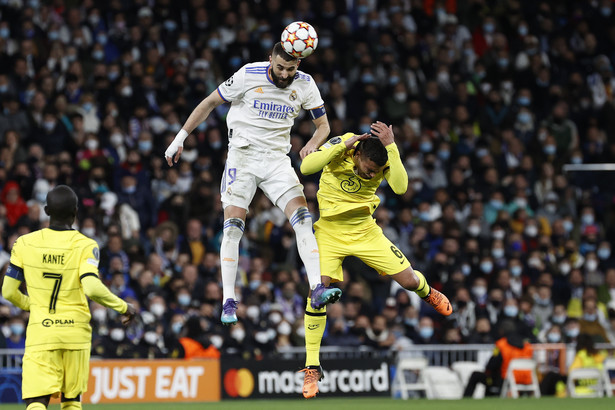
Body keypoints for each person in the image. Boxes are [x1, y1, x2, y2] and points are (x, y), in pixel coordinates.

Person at [164, 42, 340, 325]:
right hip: (242, 158)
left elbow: (324, 127)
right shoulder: (248, 74)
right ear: (270, 59)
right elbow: (210, 102)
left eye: (290, 69)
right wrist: (179, 138)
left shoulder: (306, 85)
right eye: (280, 67)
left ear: (299, 66)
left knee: (304, 218)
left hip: (276, 160)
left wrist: (311, 144)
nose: (284, 74)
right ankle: (228, 300)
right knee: (233, 229)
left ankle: (317, 288)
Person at [298, 122, 453, 399]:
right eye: (369, 169)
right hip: (329, 233)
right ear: (357, 154)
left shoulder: (382, 161)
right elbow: (307, 167)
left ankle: (428, 292)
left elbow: (401, 188)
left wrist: (392, 147)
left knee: (409, 280)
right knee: (316, 294)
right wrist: (340, 145)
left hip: (366, 231)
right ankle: (312, 367)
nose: (371, 175)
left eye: (375, 172)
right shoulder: (343, 145)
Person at [1, 185, 137, 410]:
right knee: (71, 401)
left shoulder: (24, 244)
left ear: (46, 211)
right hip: (75, 334)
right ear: (75, 212)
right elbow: (92, 288)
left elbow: (7, 291)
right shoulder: (86, 245)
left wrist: (31, 305)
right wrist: (124, 307)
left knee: (37, 401)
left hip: (42, 332)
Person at [463, 320, 533, 398]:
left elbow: (492, 363)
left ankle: (466, 398)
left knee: (477, 375)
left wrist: (488, 371)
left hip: (505, 380)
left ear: (501, 331)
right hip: (526, 379)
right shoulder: (526, 345)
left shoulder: (501, 344)